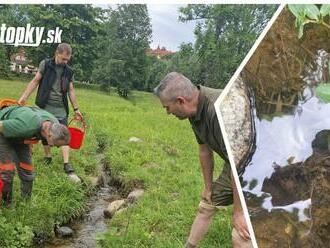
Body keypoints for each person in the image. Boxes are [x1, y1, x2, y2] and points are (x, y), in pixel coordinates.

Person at [154, 72, 252, 248]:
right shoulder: (193, 113)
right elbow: (204, 150)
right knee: (206, 205)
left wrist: (238, 213)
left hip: (253, 164)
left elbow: (241, 164)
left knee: (241, 235)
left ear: (180, 101)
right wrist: (208, 187)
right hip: (235, 163)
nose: (167, 113)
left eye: (167, 107)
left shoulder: (219, 110)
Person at [18, 43, 83, 176]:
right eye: (63, 59)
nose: (65, 62)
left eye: (67, 59)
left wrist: (76, 109)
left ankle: (66, 163)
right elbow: (35, 81)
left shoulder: (69, 71)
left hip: (60, 108)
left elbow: (71, 90)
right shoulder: (46, 64)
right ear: (57, 53)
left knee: (64, 133)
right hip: (44, 106)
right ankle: (48, 156)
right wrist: (23, 98)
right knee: (45, 132)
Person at [0, 105, 70, 205]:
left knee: (27, 169)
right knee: (7, 170)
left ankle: (26, 203)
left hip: (20, 134)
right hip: (3, 130)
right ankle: (6, 205)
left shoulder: (55, 124)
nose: (57, 147)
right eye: (56, 145)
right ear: (49, 136)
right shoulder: (27, 127)